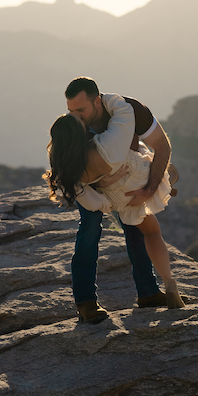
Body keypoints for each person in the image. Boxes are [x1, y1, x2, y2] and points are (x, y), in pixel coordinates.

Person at [49, 77, 181, 322]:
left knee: (136, 230)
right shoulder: (74, 126)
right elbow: (68, 167)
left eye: (80, 109)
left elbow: (162, 146)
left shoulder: (132, 110)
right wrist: (100, 183)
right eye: (70, 110)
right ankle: (86, 302)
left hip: (124, 183)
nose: (76, 115)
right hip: (89, 185)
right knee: (89, 230)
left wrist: (150, 189)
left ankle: (148, 293)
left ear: (97, 101)